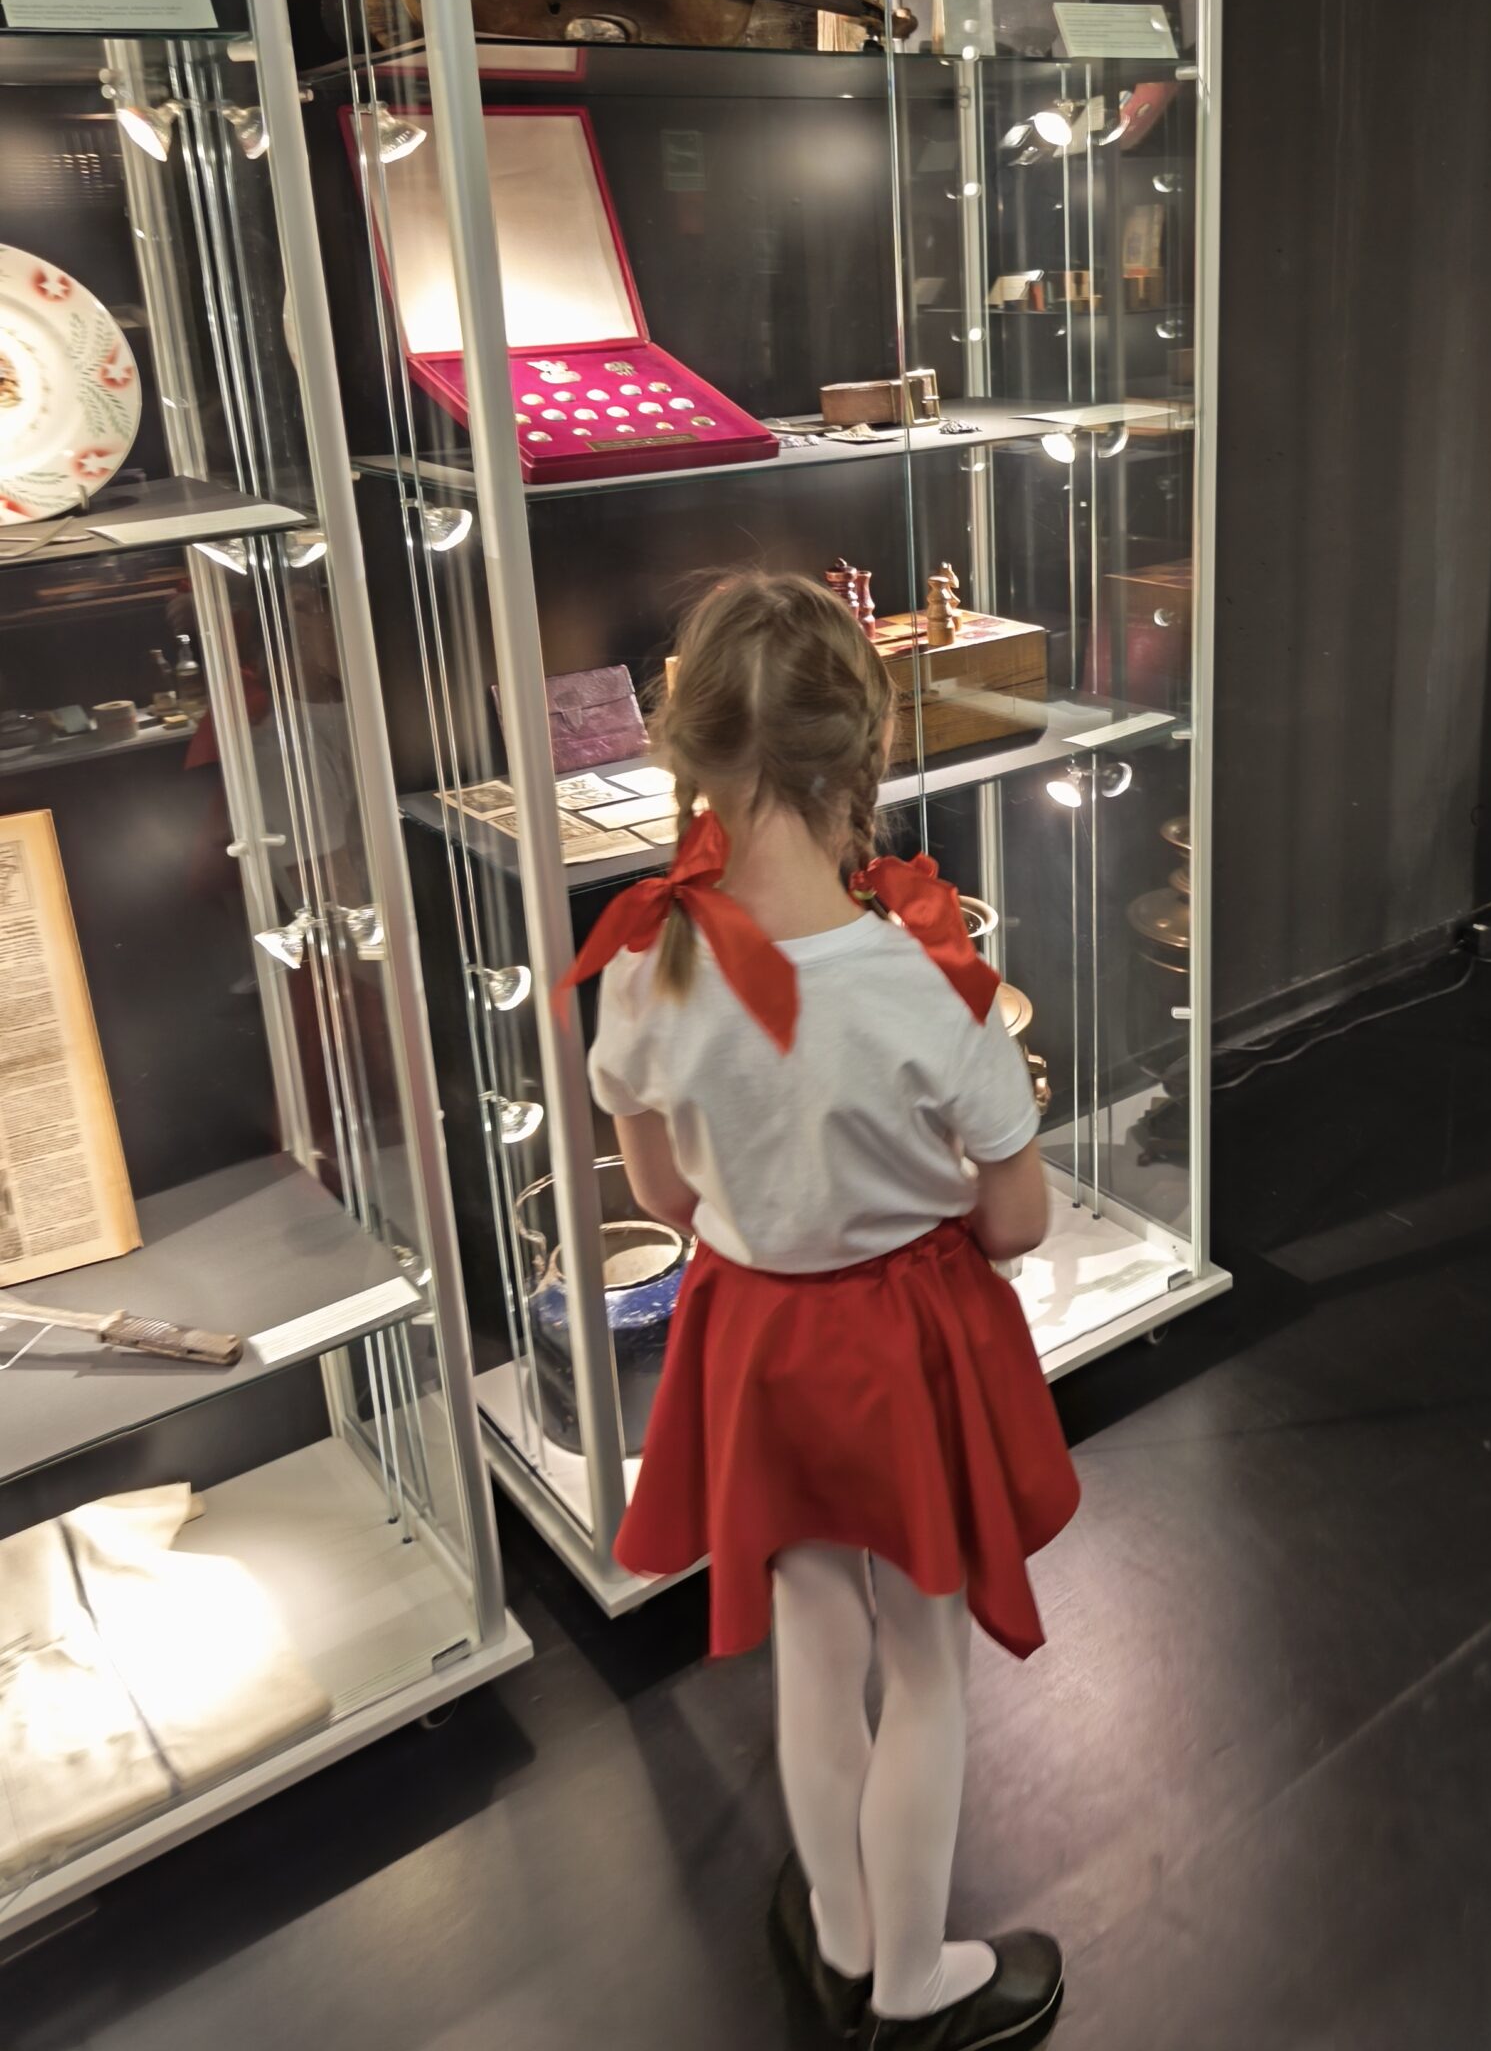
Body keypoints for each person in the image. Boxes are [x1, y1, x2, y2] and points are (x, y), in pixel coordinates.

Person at [567, 571, 1078, 2050]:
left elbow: (659, 1191)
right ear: (865, 747)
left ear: (688, 751)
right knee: (924, 1659)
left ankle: (844, 1942)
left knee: (812, 1632)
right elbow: (1017, 1220)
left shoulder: (648, 963)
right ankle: (913, 1989)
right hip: (903, 1345)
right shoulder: (932, 984)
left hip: (758, 1338)